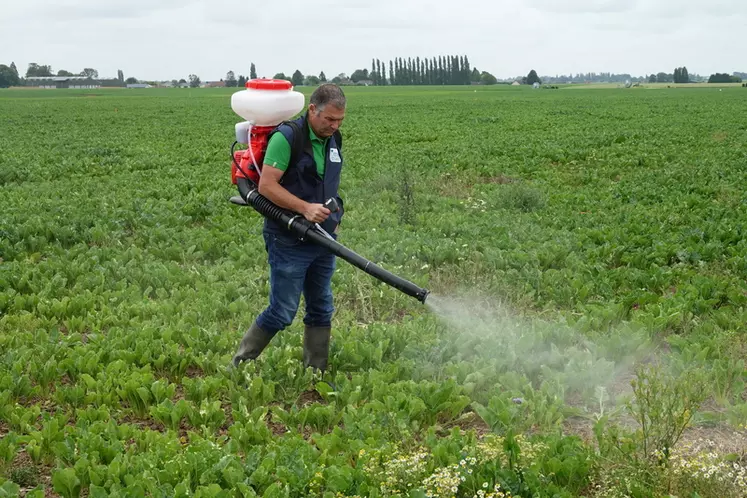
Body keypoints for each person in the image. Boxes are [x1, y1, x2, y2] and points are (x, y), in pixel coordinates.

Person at [232, 84, 347, 373]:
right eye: (328, 120)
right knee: (282, 311)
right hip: (288, 238)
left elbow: (326, 182)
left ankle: (315, 371)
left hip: (322, 238)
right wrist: (304, 208)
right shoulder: (288, 138)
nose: (333, 126)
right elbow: (266, 186)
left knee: (321, 306)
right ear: (312, 110)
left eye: (339, 121)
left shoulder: (334, 140)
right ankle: (240, 364)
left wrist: (334, 216)